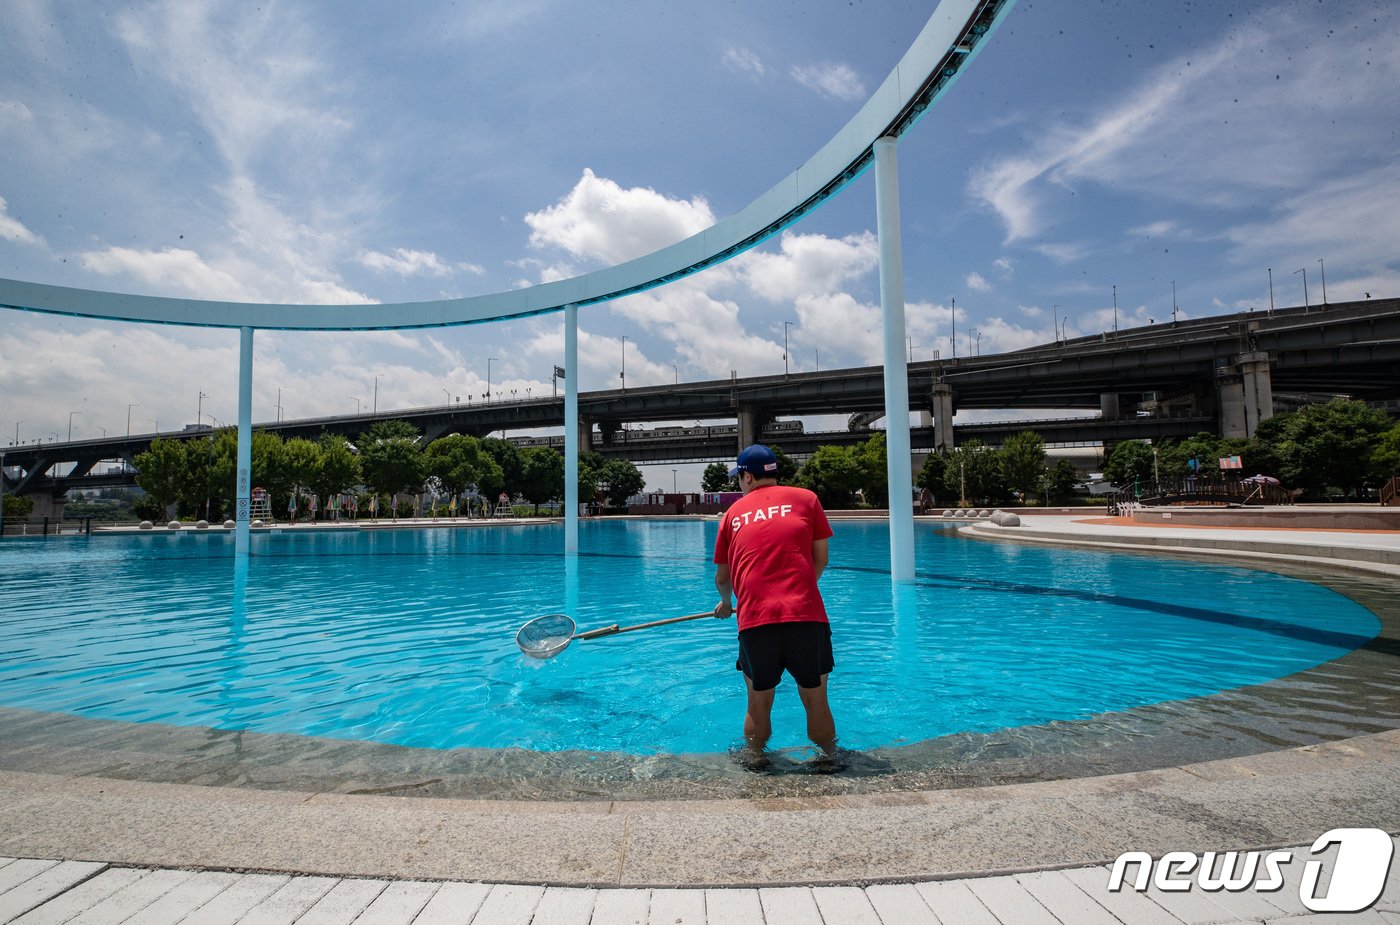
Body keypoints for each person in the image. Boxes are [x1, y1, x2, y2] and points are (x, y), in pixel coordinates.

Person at [712, 444, 837, 767]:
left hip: (756, 619)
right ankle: (829, 760)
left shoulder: (731, 516)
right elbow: (819, 559)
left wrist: (726, 604)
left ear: (748, 476)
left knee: (757, 702)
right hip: (806, 614)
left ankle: (756, 762)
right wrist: (799, 591)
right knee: (816, 699)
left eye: (738, 478)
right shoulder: (807, 499)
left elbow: (723, 578)